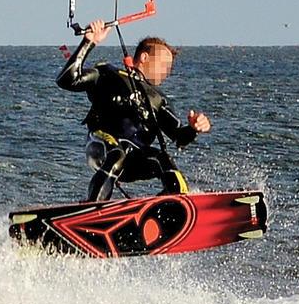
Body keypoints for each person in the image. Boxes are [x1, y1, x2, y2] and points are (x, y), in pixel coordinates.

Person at [57, 20, 212, 201]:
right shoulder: (108, 74)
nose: (167, 72)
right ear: (144, 57)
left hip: (134, 159)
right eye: (164, 65)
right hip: (102, 145)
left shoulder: (158, 100)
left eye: (169, 69)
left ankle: (175, 203)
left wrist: (194, 128)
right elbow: (67, 80)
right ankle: (93, 206)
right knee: (117, 154)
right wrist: (88, 42)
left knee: (163, 159)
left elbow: (179, 137)